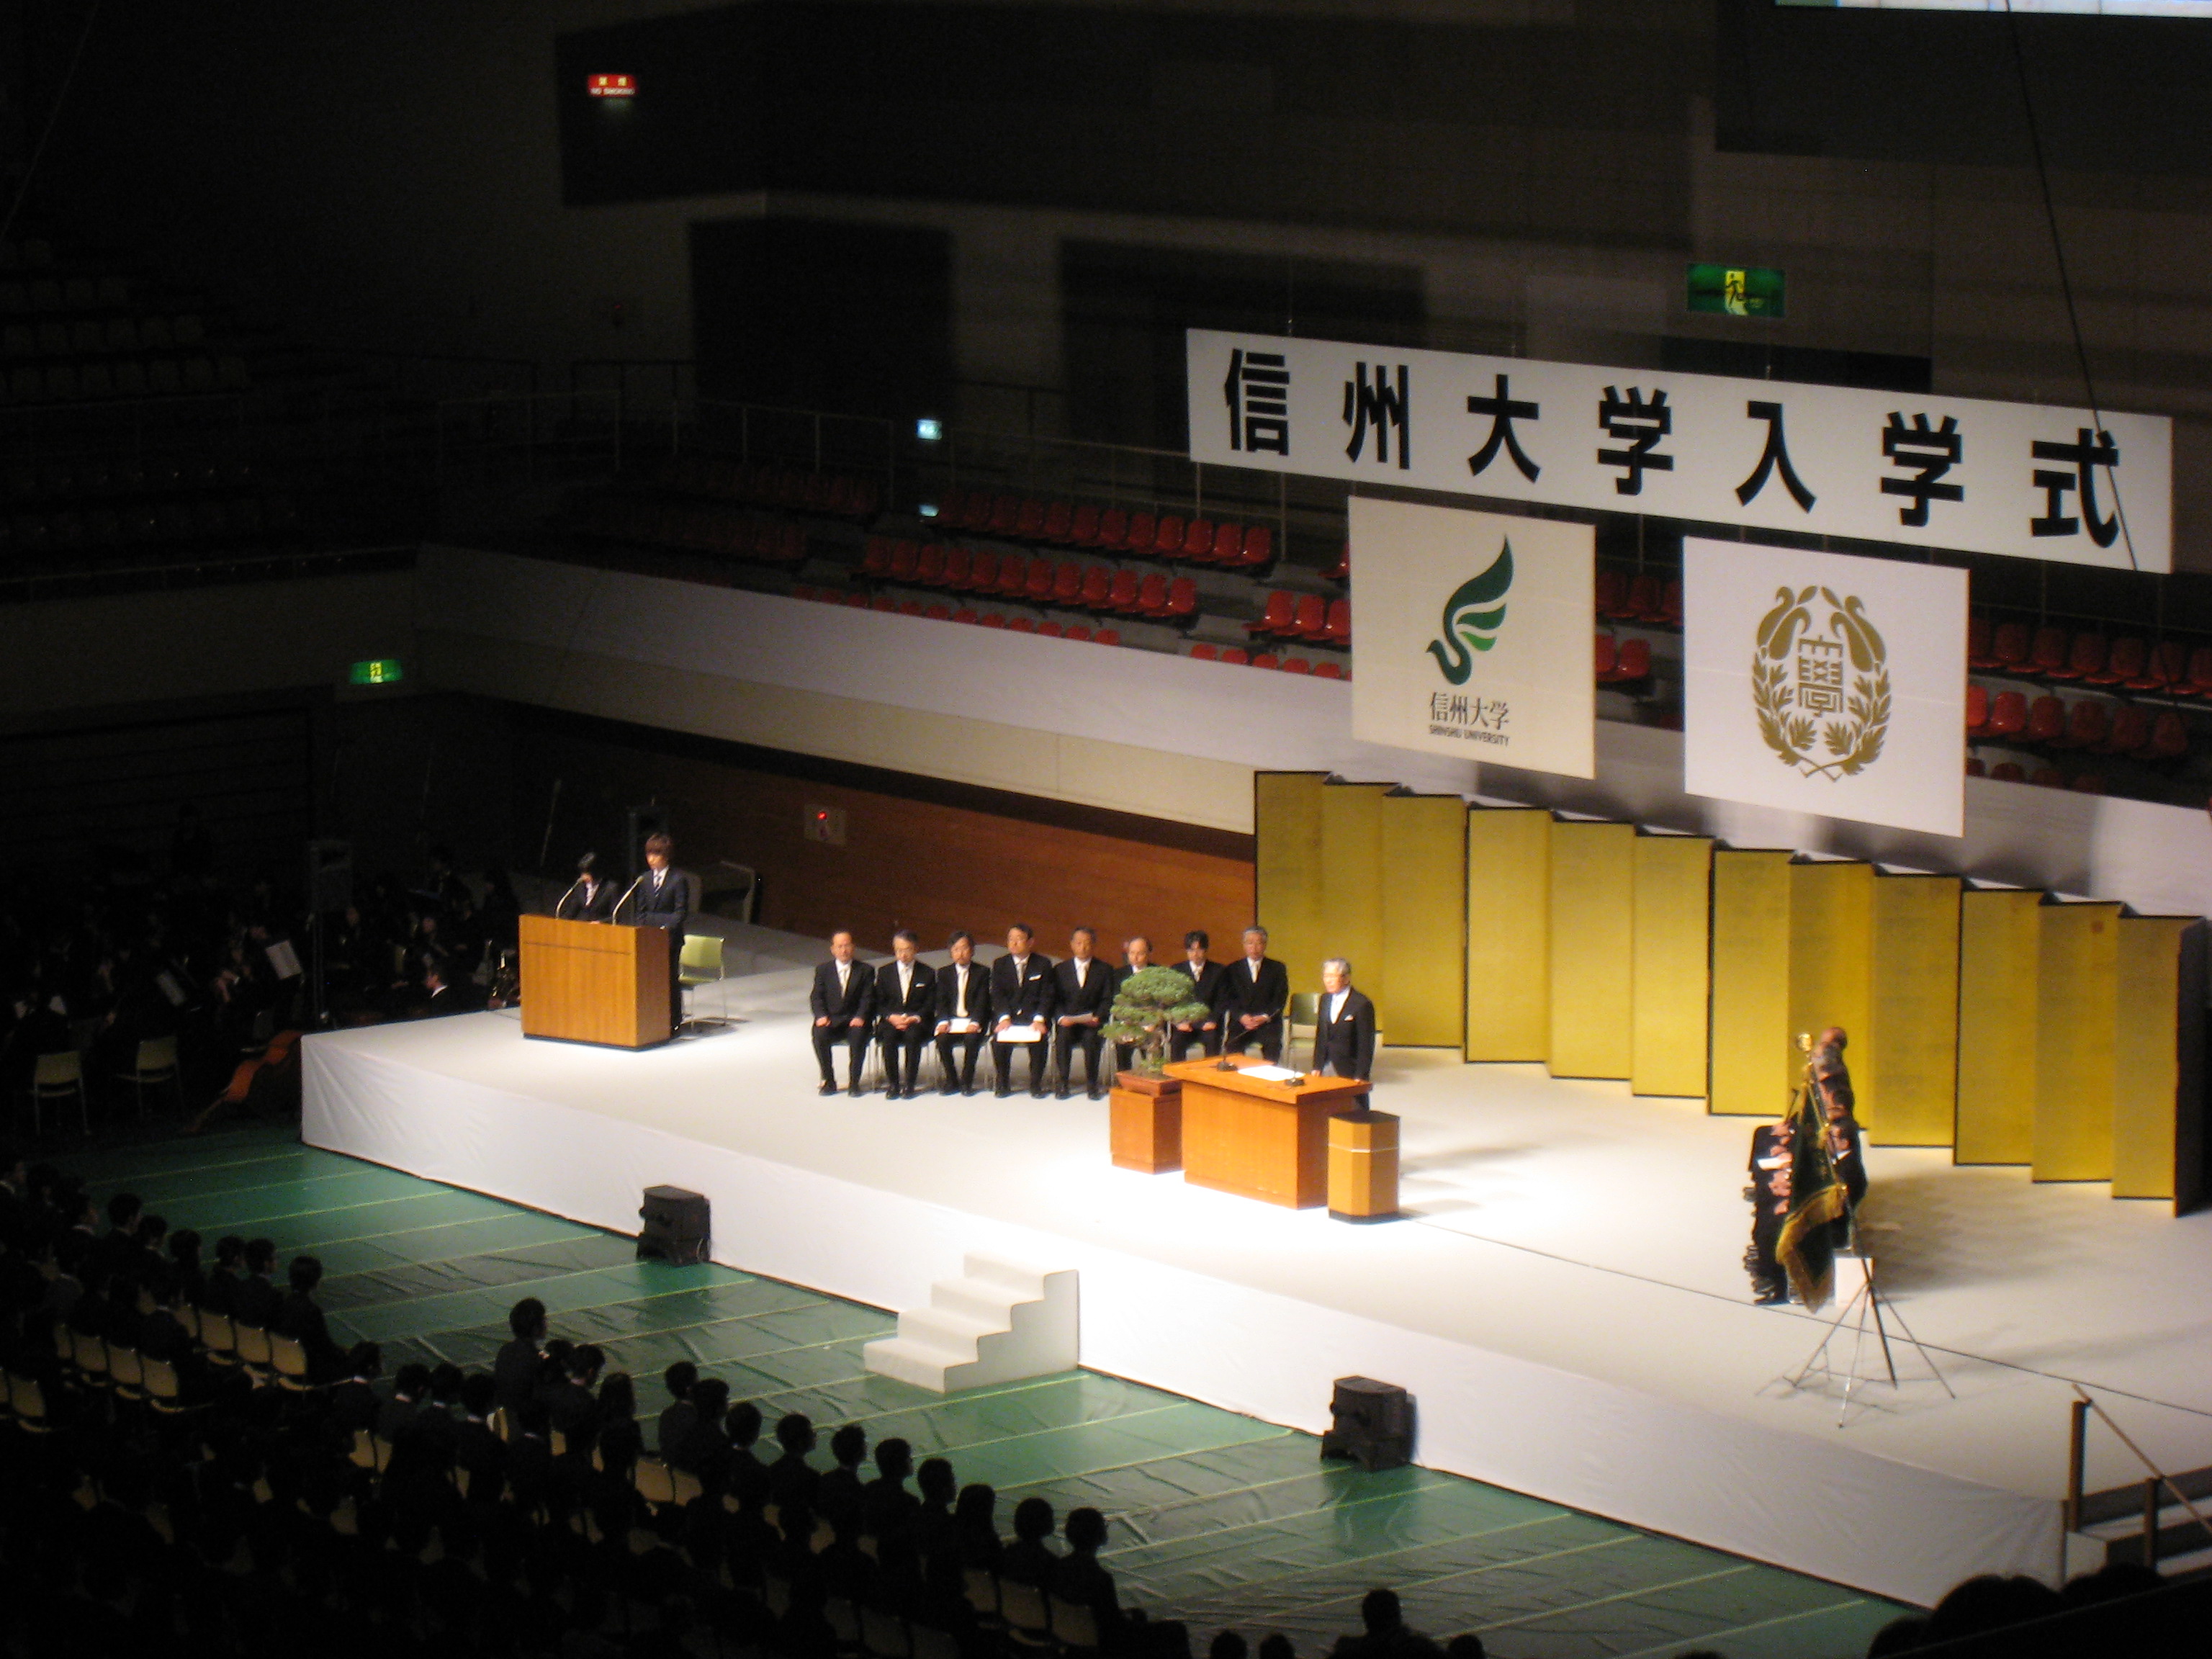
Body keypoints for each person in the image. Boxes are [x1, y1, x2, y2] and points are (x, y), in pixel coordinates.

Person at [626, 832, 689, 1034]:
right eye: (648, 854)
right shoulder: (643, 880)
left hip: (670, 940)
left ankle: (674, 1021)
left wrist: (662, 927)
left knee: (669, 979)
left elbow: (680, 913)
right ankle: (652, 1019)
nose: (651, 859)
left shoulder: (678, 879)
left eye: (656, 854)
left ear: (666, 856)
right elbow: (641, 912)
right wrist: (648, 928)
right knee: (649, 980)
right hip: (648, 940)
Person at [990, 924, 1055, 1099]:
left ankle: (1036, 1084)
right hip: (1009, 1017)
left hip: (1033, 1017)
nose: (1014, 943)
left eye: (1019, 939)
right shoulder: (1000, 964)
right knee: (998, 1040)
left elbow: (1047, 995)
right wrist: (1004, 1018)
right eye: (1011, 939)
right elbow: (997, 994)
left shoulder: (1043, 964)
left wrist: (1039, 1019)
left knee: (1039, 1041)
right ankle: (1003, 1082)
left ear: (1030, 942)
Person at [1051, 927, 1114, 1100]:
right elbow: (1054, 999)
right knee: (1062, 1039)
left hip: (1091, 1021)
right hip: (1068, 1021)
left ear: (1093, 946)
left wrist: (1098, 1017)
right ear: (1072, 945)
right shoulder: (1060, 970)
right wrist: (1061, 1017)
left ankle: (1092, 1083)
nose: (1083, 947)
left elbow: (1107, 999)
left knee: (1092, 1039)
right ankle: (1063, 1082)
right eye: (1079, 943)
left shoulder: (1105, 970)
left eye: (1087, 943)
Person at [811, 930, 876, 1097]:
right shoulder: (823, 970)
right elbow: (817, 996)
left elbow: (868, 998)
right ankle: (829, 1080)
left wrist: (861, 1016)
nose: (844, 950)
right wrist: (821, 1016)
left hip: (855, 1020)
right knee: (819, 1034)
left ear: (853, 947)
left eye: (847, 946)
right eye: (840, 946)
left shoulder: (865, 970)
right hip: (832, 1020)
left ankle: (854, 1083)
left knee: (858, 1036)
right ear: (833, 949)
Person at [874, 930, 935, 1099]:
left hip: (916, 1021)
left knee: (913, 1036)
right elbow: (879, 1002)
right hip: (891, 1020)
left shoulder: (927, 973)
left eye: (907, 949)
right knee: (889, 1037)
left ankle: (910, 1083)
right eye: (899, 950)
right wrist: (891, 1017)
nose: (903, 954)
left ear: (915, 949)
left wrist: (914, 1018)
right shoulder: (885, 972)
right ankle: (893, 1084)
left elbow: (930, 1003)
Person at [932, 931, 992, 1097]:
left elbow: (983, 1001)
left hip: (973, 1021)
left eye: (965, 948)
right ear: (951, 951)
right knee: (942, 1039)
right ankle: (951, 1080)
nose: (961, 953)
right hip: (952, 1020)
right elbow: (941, 1001)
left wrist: (975, 1022)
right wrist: (943, 1021)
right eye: (956, 949)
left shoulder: (982, 972)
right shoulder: (944, 973)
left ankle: (967, 1081)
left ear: (972, 950)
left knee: (972, 1040)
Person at [1220, 927, 1291, 1063]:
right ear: (1244, 945)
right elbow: (1228, 998)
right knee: (1232, 1046)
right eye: (1250, 943)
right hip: (1241, 1022)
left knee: (1273, 1046)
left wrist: (1264, 1017)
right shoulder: (1232, 969)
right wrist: (1242, 1016)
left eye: (1258, 943)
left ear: (1265, 945)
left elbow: (1280, 998)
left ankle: (1268, 1078)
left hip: (1267, 1023)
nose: (1254, 947)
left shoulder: (1277, 968)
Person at [1310, 958, 1377, 1081]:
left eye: (1332, 976)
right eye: (1326, 976)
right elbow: (1321, 1035)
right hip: (1326, 1066)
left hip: (1349, 1068)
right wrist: (1317, 1066)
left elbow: (1366, 1044)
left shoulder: (1361, 1003)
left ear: (1346, 978)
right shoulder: (1325, 999)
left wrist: (1361, 1074)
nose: (1328, 981)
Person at [1168, 931, 1226, 1061]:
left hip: (1208, 1023)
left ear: (1205, 950)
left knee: (1212, 1040)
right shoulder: (1176, 970)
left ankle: (1211, 1078)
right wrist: (1179, 1021)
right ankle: (1179, 1078)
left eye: (1199, 949)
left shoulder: (1218, 970)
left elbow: (1221, 1000)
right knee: (1177, 1042)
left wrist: (1212, 1020)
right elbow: (1172, 1001)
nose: (1195, 954)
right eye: (1191, 950)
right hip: (1184, 1022)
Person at [1109, 935, 1154, 1074]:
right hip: (1127, 1022)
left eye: (1140, 953)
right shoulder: (1118, 974)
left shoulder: (1158, 972)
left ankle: (1150, 1080)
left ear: (1148, 954)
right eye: (1132, 953)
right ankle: (1124, 1081)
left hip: (1150, 1022)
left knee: (1152, 1041)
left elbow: (1161, 1002)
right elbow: (1116, 1002)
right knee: (1122, 1042)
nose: (1135, 957)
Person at [554, 853, 616, 922]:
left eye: (587, 874)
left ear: (596, 872)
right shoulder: (581, 886)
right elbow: (571, 913)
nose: (583, 877)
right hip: (582, 928)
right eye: (582, 873)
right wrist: (560, 922)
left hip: (601, 930)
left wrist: (600, 923)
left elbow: (615, 916)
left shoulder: (610, 888)